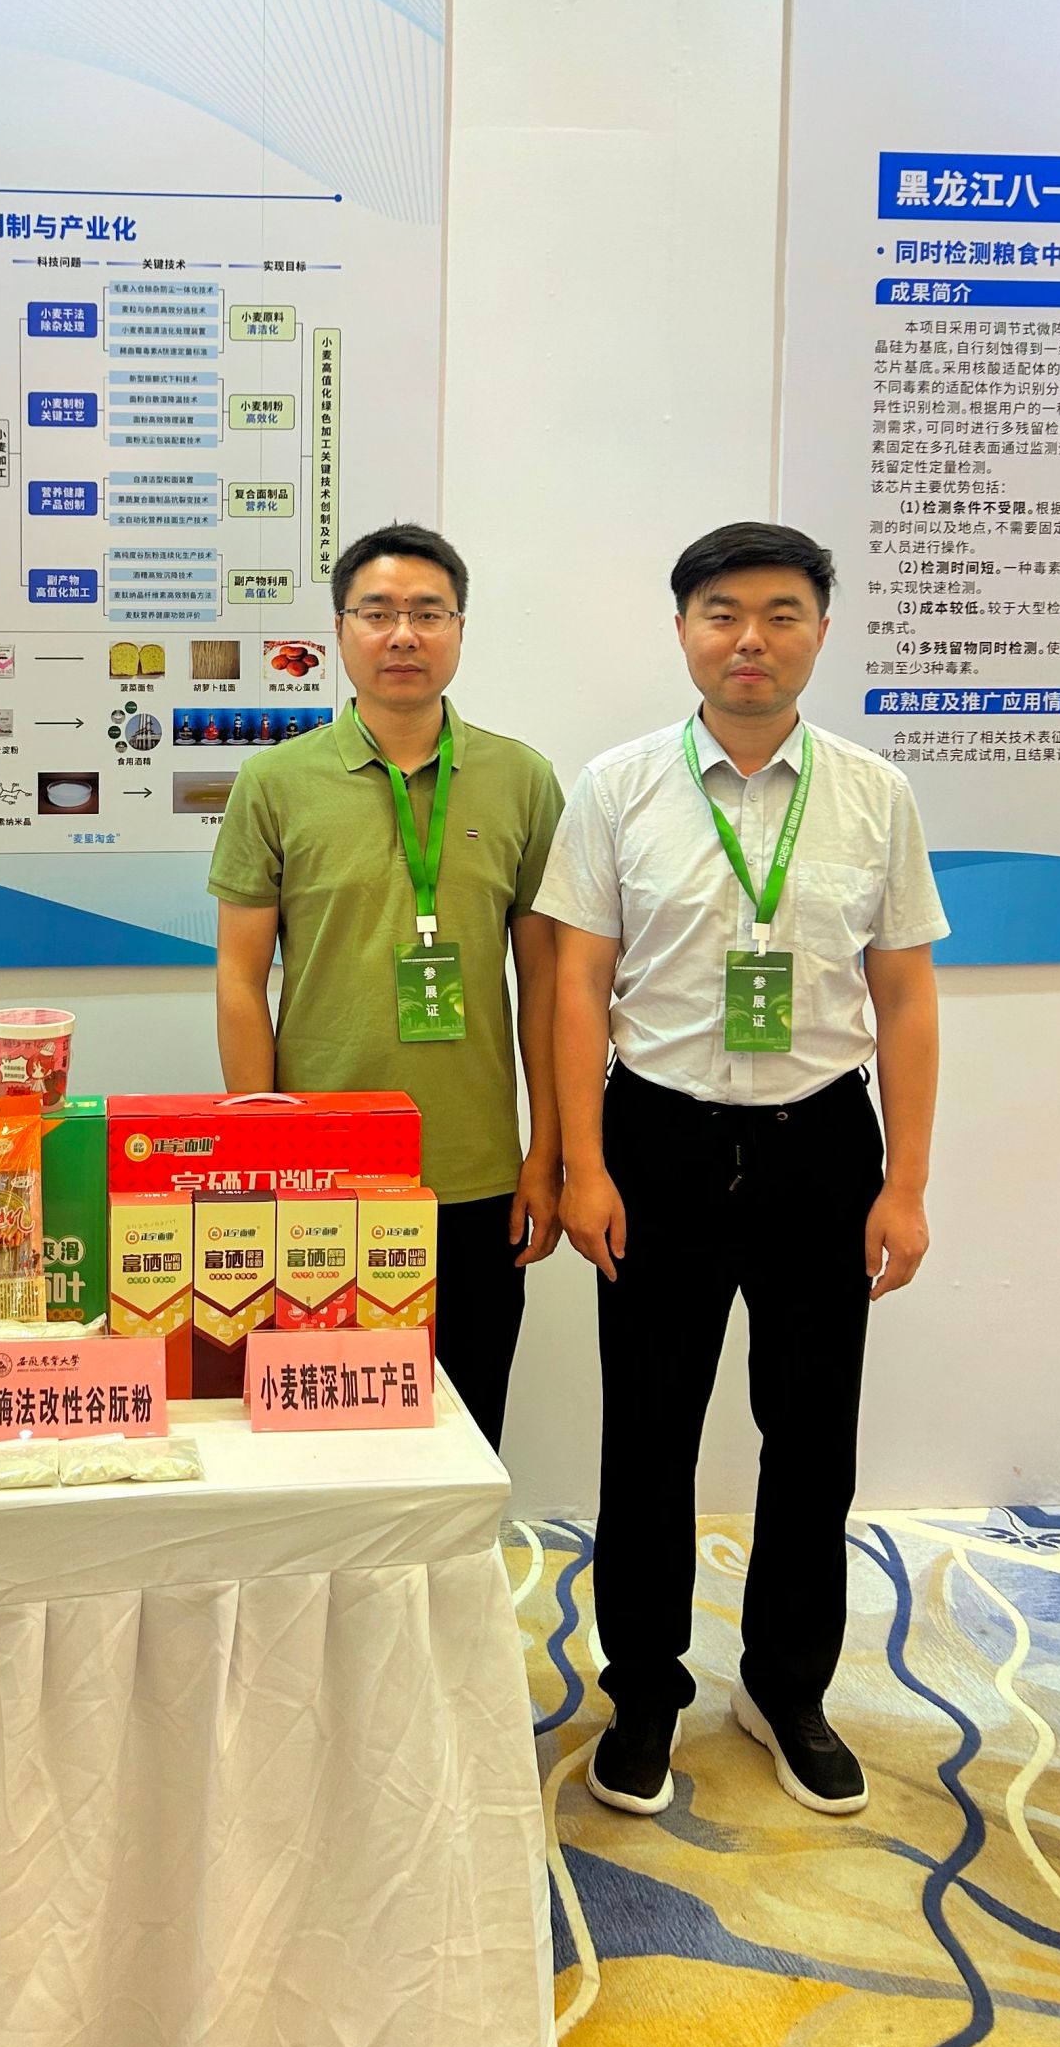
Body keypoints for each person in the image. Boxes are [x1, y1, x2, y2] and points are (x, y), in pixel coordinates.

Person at [535, 520, 944, 1819]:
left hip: (821, 1145)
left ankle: (785, 1686)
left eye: (779, 613)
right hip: (655, 1141)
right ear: (683, 631)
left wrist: (905, 1183)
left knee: (812, 1440)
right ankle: (642, 1695)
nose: (749, 639)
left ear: (820, 630)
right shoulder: (618, 787)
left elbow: (905, 995)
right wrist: (584, 1162)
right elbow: (578, 982)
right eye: (722, 613)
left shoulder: (874, 792)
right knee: (647, 1436)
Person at [209, 522, 564, 1451]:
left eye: (428, 613)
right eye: (377, 612)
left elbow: (547, 983)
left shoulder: (522, 780)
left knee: (468, 1421)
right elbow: (240, 979)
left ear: (459, 629)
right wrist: (262, 1149)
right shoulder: (274, 782)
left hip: (476, 1169)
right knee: (321, 1423)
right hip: (319, 1165)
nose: (403, 634)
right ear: (340, 630)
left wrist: (546, 1153)